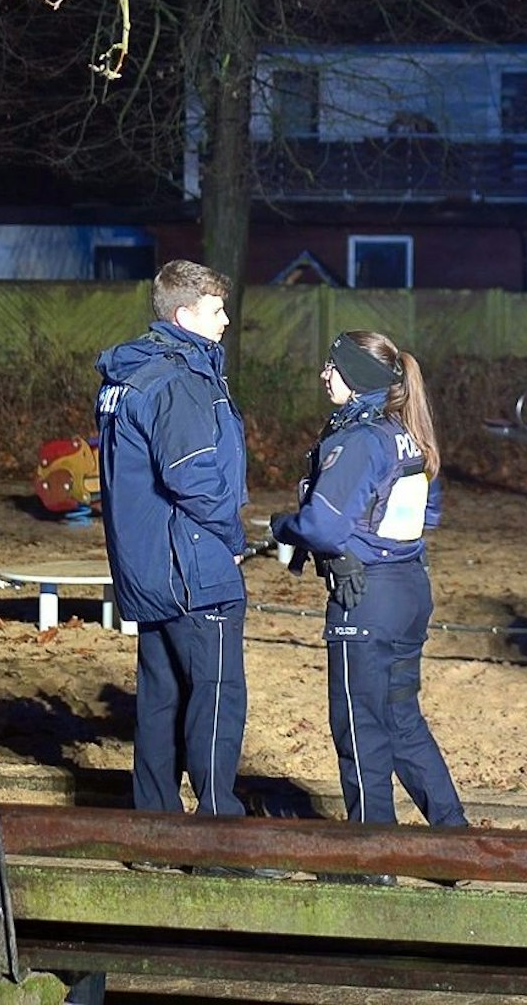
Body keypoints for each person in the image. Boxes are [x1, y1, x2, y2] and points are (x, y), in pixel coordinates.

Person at [270, 330, 467, 868]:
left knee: (360, 727)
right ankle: (456, 845)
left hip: (367, 599)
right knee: (402, 720)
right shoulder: (407, 432)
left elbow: (323, 526)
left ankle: (372, 858)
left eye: (331, 367)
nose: (323, 376)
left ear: (356, 374)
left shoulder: (359, 439)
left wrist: (281, 525)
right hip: (409, 590)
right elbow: (429, 515)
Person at [95, 259, 252, 822]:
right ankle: (218, 834)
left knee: (160, 701)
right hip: (194, 569)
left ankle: (155, 829)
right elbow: (193, 475)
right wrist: (232, 535)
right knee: (216, 701)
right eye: (216, 310)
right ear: (184, 315)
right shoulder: (178, 380)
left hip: (151, 568)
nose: (227, 320)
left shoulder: (129, 377)